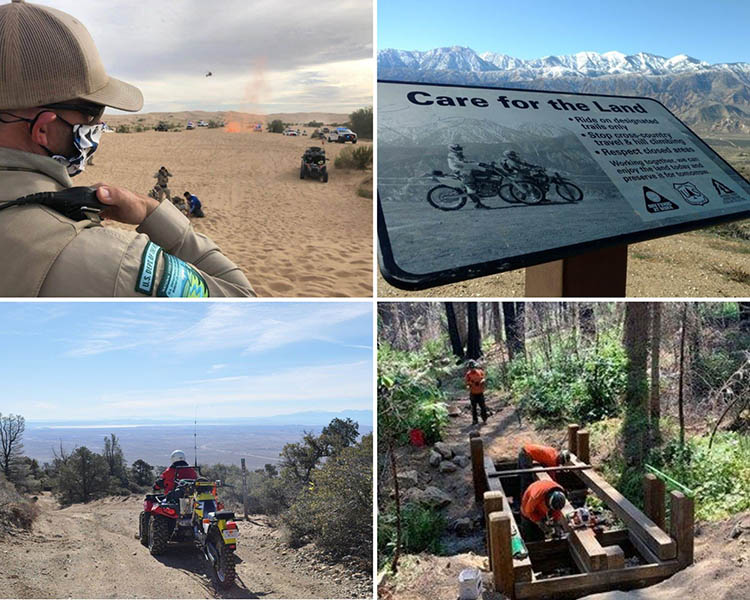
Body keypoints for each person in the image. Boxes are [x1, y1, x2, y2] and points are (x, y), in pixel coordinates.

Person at [0, 0, 254, 296]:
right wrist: (151, 213)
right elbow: (241, 299)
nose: (98, 124)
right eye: (93, 112)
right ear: (42, 129)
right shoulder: (113, 267)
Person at [447, 144, 490, 208]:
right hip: (462, 172)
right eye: (458, 149)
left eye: (460, 148)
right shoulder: (453, 156)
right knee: (471, 187)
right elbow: (462, 163)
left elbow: (466, 161)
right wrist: (477, 164)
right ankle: (478, 204)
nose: (460, 150)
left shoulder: (457, 155)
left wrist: (480, 163)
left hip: (466, 170)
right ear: (453, 150)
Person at [465, 360, 489, 425]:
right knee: (474, 407)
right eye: (471, 367)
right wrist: (468, 385)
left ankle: (484, 419)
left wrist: (482, 381)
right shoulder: (468, 374)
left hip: (480, 392)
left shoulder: (480, 372)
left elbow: (484, 378)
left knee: (483, 407)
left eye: (473, 367)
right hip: (473, 393)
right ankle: (475, 420)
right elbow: (467, 382)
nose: (472, 369)